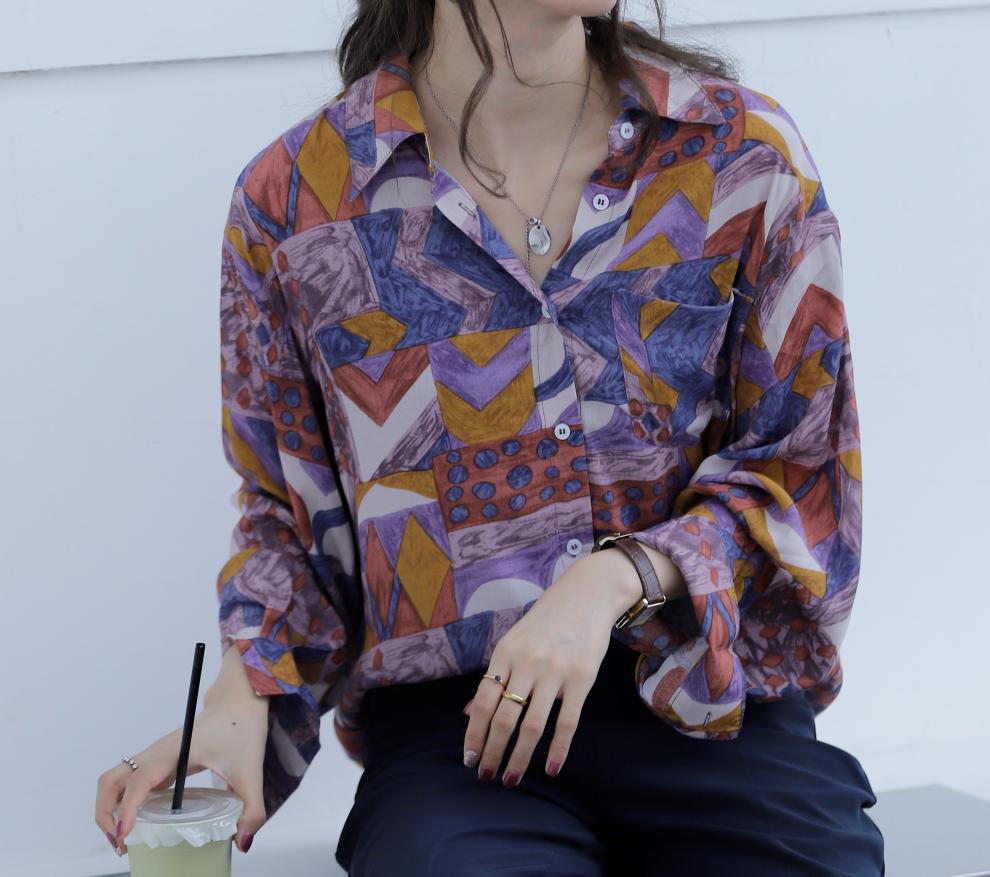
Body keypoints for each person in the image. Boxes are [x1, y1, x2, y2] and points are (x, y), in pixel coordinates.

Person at [95, 1, 886, 874]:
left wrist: (613, 579)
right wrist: (243, 696)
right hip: (462, 746)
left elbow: (798, 473)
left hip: (706, 705)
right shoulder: (298, 203)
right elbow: (292, 519)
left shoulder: (738, 156)